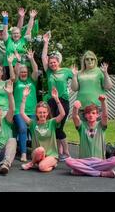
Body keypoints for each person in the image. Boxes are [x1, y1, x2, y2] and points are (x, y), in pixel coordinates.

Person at [65, 96, 115, 178]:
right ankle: (101, 173)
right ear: (85, 115)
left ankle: (82, 171)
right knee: (68, 161)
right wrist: (75, 108)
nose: (91, 115)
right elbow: (74, 117)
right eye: (88, 113)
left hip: (99, 161)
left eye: (93, 113)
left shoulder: (101, 126)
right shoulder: (82, 126)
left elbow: (105, 116)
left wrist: (103, 102)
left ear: (97, 115)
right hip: (84, 161)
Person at [20, 87, 66, 172]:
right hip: (38, 155)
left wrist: (56, 99)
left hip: (51, 155)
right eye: (40, 112)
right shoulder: (33, 124)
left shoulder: (52, 123)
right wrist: (24, 97)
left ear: (47, 113)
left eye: (44, 112)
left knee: (42, 167)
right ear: (36, 114)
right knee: (40, 150)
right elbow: (22, 113)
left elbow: (62, 114)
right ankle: (33, 163)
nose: (42, 114)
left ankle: (49, 164)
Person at [42, 32, 72, 161]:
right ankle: (58, 152)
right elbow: (44, 57)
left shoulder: (66, 71)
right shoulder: (48, 72)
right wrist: (46, 42)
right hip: (50, 102)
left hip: (62, 101)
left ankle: (66, 152)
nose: (52, 64)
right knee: (53, 126)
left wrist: (75, 75)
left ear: (58, 62)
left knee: (60, 127)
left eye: (54, 62)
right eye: (50, 63)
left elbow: (77, 81)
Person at [13, 50, 39, 162]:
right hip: (19, 111)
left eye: (25, 72)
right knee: (23, 128)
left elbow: (36, 70)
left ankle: (35, 152)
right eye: (21, 72)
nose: (23, 73)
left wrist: (31, 58)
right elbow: (14, 71)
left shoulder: (32, 80)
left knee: (34, 129)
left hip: (32, 111)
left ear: (27, 73)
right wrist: (18, 61)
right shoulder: (16, 81)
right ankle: (23, 153)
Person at [4, 10, 37, 79]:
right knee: (11, 84)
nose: (16, 35)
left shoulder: (23, 40)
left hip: (22, 66)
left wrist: (31, 17)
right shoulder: (8, 41)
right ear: (11, 34)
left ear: (20, 34)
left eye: (17, 33)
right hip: (9, 65)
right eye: (14, 33)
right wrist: (5, 18)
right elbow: (5, 31)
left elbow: (29, 29)